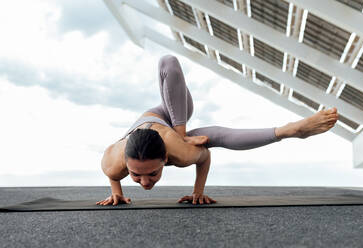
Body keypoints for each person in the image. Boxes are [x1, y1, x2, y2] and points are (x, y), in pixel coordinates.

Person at [96, 55, 339, 206]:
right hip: (160, 113)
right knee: (208, 136)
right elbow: (113, 175)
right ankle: (286, 131)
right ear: (126, 165)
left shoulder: (179, 151)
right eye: (136, 175)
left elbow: (205, 156)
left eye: (152, 174)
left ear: (166, 159)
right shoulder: (112, 162)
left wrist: (197, 190)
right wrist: (116, 193)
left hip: (170, 117)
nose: (144, 182)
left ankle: (289, 130)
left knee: (169, 64)